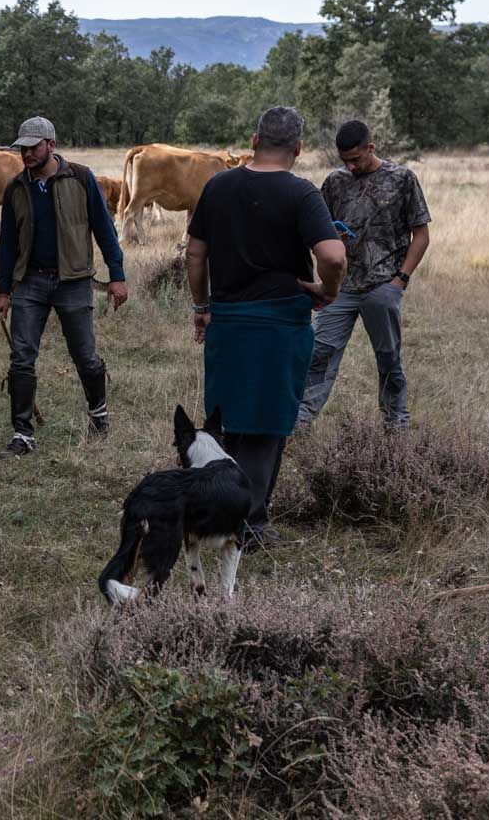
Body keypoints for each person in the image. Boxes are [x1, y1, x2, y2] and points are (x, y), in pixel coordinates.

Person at [185, 106, 346, 551]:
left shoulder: (217, 186)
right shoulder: (302, 194)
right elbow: (333, 256)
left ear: (254, 141)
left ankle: (210, 513)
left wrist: (202, 305)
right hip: (280, 326)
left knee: (225, 422)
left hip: (229, 321)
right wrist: (326, 291)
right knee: (267, 428)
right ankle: (249, 527)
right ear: (297, 148)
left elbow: (195, 255)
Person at [0, 116, 129, 455]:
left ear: (51, 145)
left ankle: (98, 413)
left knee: (85, 355)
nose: (26, 155)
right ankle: (23, 433)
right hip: (30, 282)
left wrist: (117, 275)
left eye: (33, 148)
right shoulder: (15, 188)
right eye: (22, 148)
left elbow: (104, 229)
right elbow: (7, 243)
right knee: (21, 358)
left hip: (74, 281)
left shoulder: (80, 178)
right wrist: (4, 291)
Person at [296, 120, 431, 431]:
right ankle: (298, 422)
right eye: (344, 159)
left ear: (371, 148)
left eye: (356, 158)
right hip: (339, 287)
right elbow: (315, 231)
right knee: (319, 353)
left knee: (388, 359)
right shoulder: (334, 182)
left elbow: (421, 235)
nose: (350, 166)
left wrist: (400, 281)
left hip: (383, 286)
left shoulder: (402, 178)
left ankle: (395, 425)